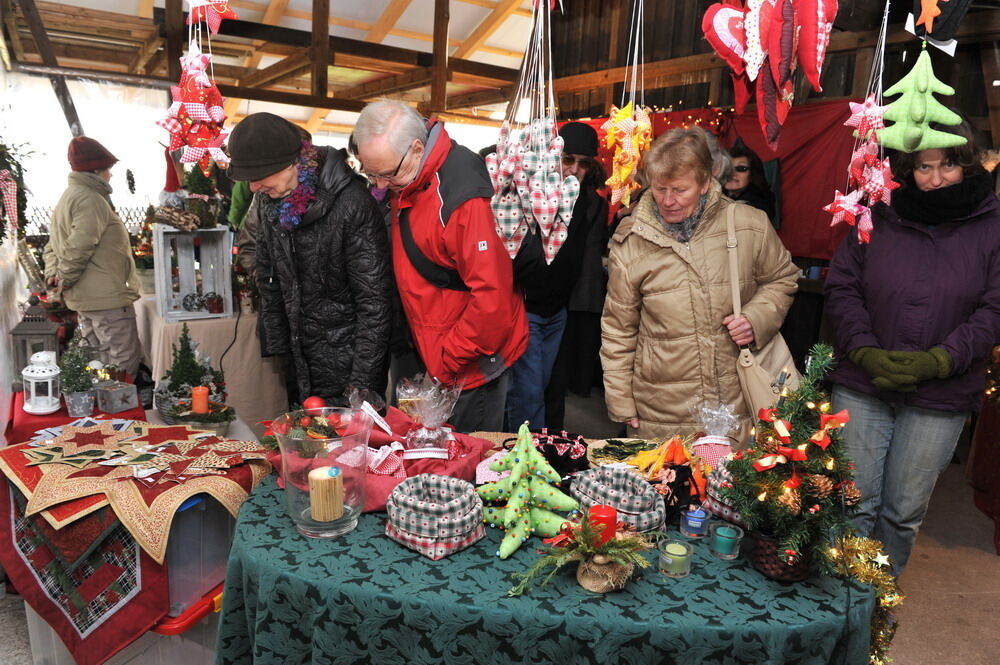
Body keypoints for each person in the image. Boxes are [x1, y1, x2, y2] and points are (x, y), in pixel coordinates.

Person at [824, 119, 1000, 575]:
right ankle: (838, 608)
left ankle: (874, 611)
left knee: (901, 513)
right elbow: (843, 286)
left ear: (968, 164)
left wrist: (941, 358)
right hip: (864, 382)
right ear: (906, 166)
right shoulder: (877, 210)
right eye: (924, 167)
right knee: (853, 504)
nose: (936, 178)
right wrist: (864, 350)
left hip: (941, 395)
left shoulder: (992, 224)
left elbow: (994, 309)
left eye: (948, 166)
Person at [601, 128, 798, 439]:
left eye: (680, 190)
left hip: (738, 402)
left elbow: (782, 277)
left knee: (732, 486)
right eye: (660, 189)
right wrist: (621, 401)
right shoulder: (632, 239)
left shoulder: (748, 224)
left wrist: (756, 318)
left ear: (706, 182)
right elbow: (618, 329)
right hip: (662, 410)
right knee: (666, 483)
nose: (668, 201)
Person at [351, 100, 528, 432]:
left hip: (468, 365)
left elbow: (492, 301)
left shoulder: (465, 200)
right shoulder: (412, 175)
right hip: (430, 354)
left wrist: (446, 362)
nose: (378, 185)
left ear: (418, 149)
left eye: (387, 174)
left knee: (466, 464)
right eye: (370, 173)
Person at [227, 112, 392, 404]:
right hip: (299, 358)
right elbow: (268, 273)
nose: (253, 187)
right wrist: (280, 345)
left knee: (348, 447)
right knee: (303, 444)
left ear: (291, 163)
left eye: (258, 176)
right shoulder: (269, 202)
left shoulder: (352, 203)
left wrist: (361, 390)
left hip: (350, 365)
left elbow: (375, 304)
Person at [44, 137, 142, 377]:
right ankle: (120, 413)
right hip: (106, 300)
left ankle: (100, 412)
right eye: (108, 169)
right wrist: (63, 280)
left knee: (96, 363)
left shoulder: (68, 197)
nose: (110, 175)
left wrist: (55, 278)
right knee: (122, 363)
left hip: (89, 298)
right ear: (97, 171)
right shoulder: (91, 199)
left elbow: (52, 247)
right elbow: (79, 247)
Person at [541, 122, 610, 428]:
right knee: (533, 383)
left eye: (583, 163)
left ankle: (551, 441)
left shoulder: (594, 202)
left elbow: (591, 259)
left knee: (557, 380)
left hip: (572, 303)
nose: (574, 169)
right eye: (568, 159)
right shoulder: (537, 193)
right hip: (536, 299)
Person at [724, 142, 776, 224]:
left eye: (741, 168)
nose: (732, 174)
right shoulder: (713, 197)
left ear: (752, 174)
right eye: (727, 168)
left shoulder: (758, 207)